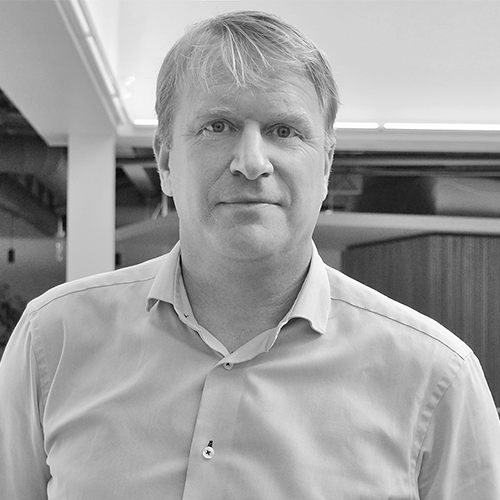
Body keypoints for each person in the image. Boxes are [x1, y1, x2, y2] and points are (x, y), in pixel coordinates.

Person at [0, 10, 499, 499]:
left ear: (326, 166)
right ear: (166, 162)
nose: (251, 162)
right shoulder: (51, 342)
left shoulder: (437, 382)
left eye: (284, 130)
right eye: (217, 126)